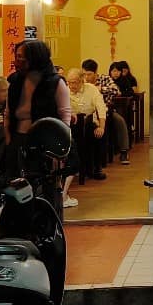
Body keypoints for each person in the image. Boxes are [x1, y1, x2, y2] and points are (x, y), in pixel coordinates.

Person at [3, 39, 72, 213]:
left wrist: (60, 150)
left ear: (35, 59)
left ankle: (47, 226)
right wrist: (10, 140)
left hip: (45, 144)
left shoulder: (55, 82)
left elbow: (64, 116)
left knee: (45, 189)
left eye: (22, 58)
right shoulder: (15, 81)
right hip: (19, 139)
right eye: (16, 57)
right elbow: (8, 113)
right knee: (16, 187)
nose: (17, 62)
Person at [66, 67, 108, 206]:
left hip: (89, 122)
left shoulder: (91, 89)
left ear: (82, 81)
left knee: (98, 135)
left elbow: (101, 107)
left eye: (75, 82)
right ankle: (74, 168)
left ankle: (96, 168)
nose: (72, 86)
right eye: (69, 82)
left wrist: (101, 126)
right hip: (71, 124)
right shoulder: (65, 91)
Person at [82, 58, 130, 164]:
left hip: (107, 110)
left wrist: (101, 89)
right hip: (89, 111)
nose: (86, 77)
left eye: (89, 74)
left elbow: (116, 91)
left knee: (120, 121)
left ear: (95, 73)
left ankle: (124, 151)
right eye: (84, 74)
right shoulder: (83, 82)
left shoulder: (104, 79)